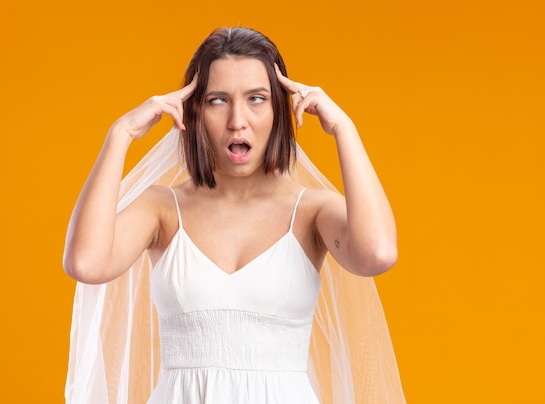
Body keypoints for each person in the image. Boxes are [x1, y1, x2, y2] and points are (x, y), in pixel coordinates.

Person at [63, 27, 405, 403]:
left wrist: (343, 129)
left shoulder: (311, 212)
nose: (237, 120)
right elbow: (85, 262)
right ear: (194, 111)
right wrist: (121, 133)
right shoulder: (162, 209)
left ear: (280, 109)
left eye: (257, 98)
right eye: (217, 100)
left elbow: (378, 254)